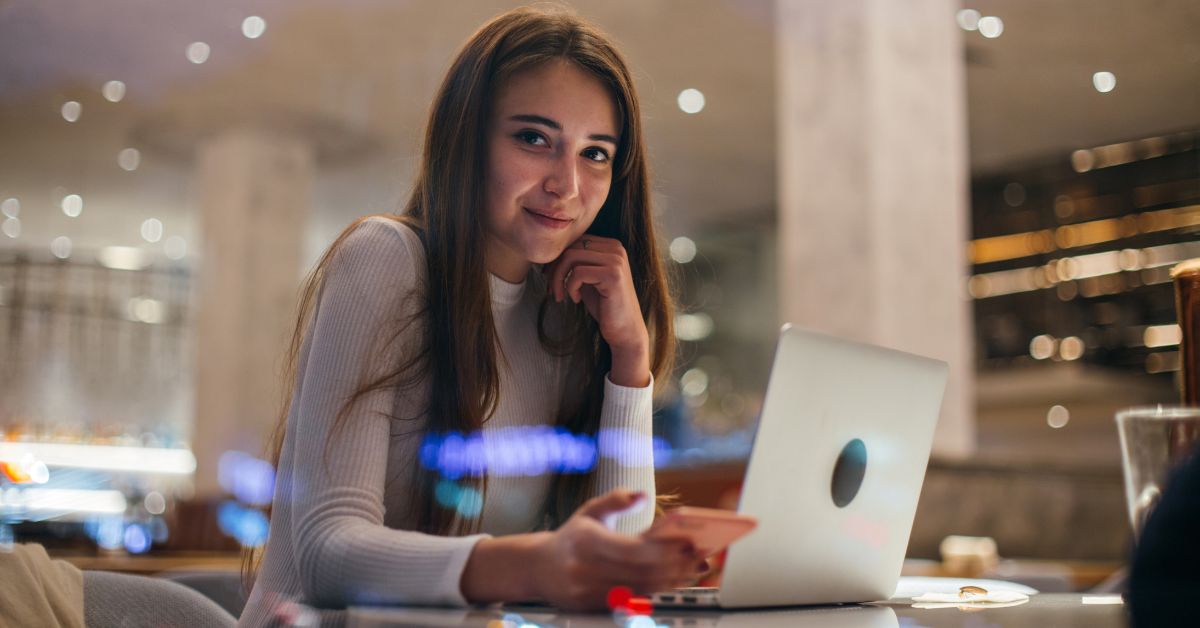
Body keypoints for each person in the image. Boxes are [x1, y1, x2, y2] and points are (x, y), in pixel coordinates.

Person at [238, 7, 699, 624]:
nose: (566, 184)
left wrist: (629, 361)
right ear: (467, 139)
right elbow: (328, 555)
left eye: (595, 153)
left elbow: (613, 568)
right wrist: (533, 564)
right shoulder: (385, 258)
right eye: (534, 138)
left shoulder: (566, 315)